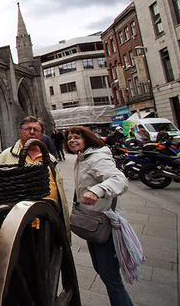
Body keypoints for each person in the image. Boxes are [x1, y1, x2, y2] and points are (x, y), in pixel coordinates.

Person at [64, 126, 133, 306]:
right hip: (93, 223)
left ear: (87, 139)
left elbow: (119, 180)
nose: (72, 140)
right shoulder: (83, 158)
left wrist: (98, 190)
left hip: (105, 224)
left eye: (77, 137)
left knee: (111, 277)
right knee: (104, 272)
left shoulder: (97, 158)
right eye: (70, 138)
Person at [0, 116, 70, 237]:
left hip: (49, 220)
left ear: (41, 134)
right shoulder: (6, 155)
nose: (32, 132)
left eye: (36, 130)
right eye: (28, 129)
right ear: (20, 131)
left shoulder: (50, 158)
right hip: (20, 224)